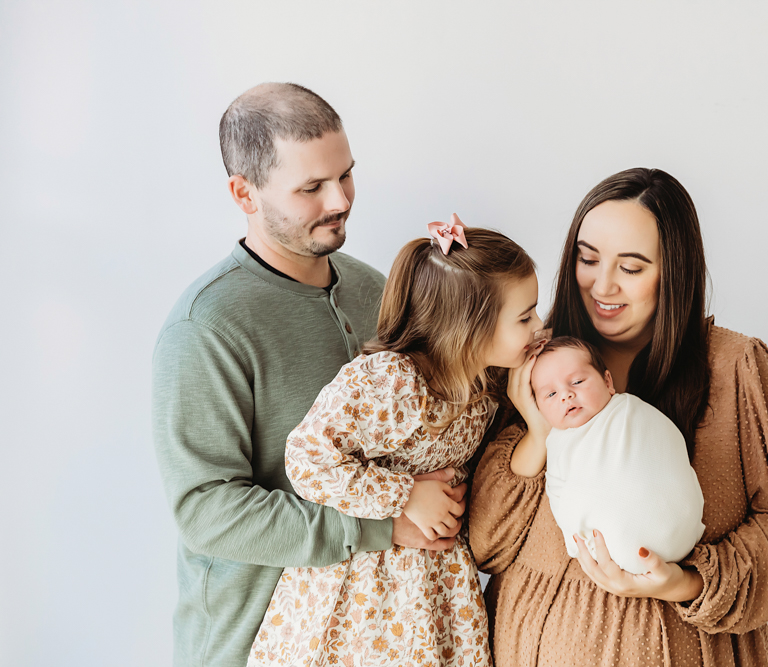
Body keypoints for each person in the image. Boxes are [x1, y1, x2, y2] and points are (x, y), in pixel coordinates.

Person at [152, 83, 460, 667]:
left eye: (345, 175)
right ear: (244, 192)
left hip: (380, 639)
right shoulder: (204, 328)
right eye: (310, 188)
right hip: (248, 645)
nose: (340, 199)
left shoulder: (379, 291)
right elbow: (206, 511)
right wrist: (382, 522)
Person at [469, 168, 768, 666]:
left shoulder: (738, 367)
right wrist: (539, 430)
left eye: (631, 268)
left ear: (674, 272)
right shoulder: (528, 363)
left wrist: (686, 582)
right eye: (587, 259)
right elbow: (483, 547)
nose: (601, 284)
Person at [247, 218, 544, 667]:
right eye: (525, 317)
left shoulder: (488, 387)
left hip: (438, 588)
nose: (538, 325)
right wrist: (406, 496)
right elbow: (308, 460)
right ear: (470, 328)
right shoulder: (388, 381)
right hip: (363, 591)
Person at [529, 336, 704, 575]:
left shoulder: (630, 410)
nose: (566, 395)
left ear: (607, 381)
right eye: (550, 395)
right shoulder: (558, 442)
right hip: (623, 551)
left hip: (676, 526)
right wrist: (579, 545)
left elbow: (667, 444)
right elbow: (559, 496)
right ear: (538, 409)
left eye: (577, 381)